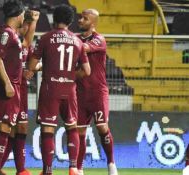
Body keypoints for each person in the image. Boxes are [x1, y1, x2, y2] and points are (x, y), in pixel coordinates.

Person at [26, 4, 91, 175]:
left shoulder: (46, 38)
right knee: (72, 127)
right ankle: (73, 168)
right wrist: (69, 75)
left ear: (54, 19)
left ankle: (47, 170)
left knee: (48, 128)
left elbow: (32, 65)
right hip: (69, 90)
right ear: (70, 21)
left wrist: (42, 67)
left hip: (50, 88)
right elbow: (87, 71)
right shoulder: (78, 41)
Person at [0, 1, 25, 175]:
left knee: (7, 127)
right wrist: (8, 83)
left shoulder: (12, 34)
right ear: (17, 15)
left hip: (14, 85)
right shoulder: (6, 33)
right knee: (4, 126)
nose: (24, 17)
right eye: (23, 14)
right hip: (7, 86)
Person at [75, 9, 118, 175]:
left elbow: (82, 48)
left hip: (97, 92)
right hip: (79, 93)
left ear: (92, 23)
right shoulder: (76, 38)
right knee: (79, 131)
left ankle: (111, 164)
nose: (80, 20)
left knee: (101, 127)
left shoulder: (99, 39)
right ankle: (79, 169)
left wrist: (67, 42)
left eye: (84, 18)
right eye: (80, 17)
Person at [0, 10, 40, 175]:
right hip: (13, 87)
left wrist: (35, 68)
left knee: (21, 128)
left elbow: (31, 64)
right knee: (10, 127)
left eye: (29, 26)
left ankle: (20, 170)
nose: (27, 28)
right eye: (26, 25)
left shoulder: (24, 47)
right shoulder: (11, 39)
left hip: (22, 88)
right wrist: (35, 22)